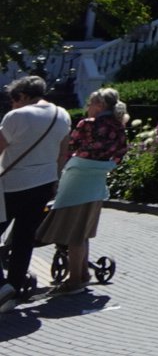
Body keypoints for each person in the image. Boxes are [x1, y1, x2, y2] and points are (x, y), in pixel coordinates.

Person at [34, 87, 129, 297]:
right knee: (83, 231)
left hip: (77, 180)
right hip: (96, 181)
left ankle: (74, 280)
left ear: (100, 106)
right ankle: (83, 273)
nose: (87, 108)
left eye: (90, 104)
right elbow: (122, 151)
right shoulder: (119, 126)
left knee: (73, 234)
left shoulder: (88, 124)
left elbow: (68, 148)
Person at [0, 76, 72, 312]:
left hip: (11, 185)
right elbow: (62, 153)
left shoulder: (16, 117)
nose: (12, 105)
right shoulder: (62, 114)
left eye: (14, 100)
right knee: (24, 238)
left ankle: (3, 287)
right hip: (44, 183)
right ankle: (15, 286)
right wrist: (56, 179)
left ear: (22, 96)